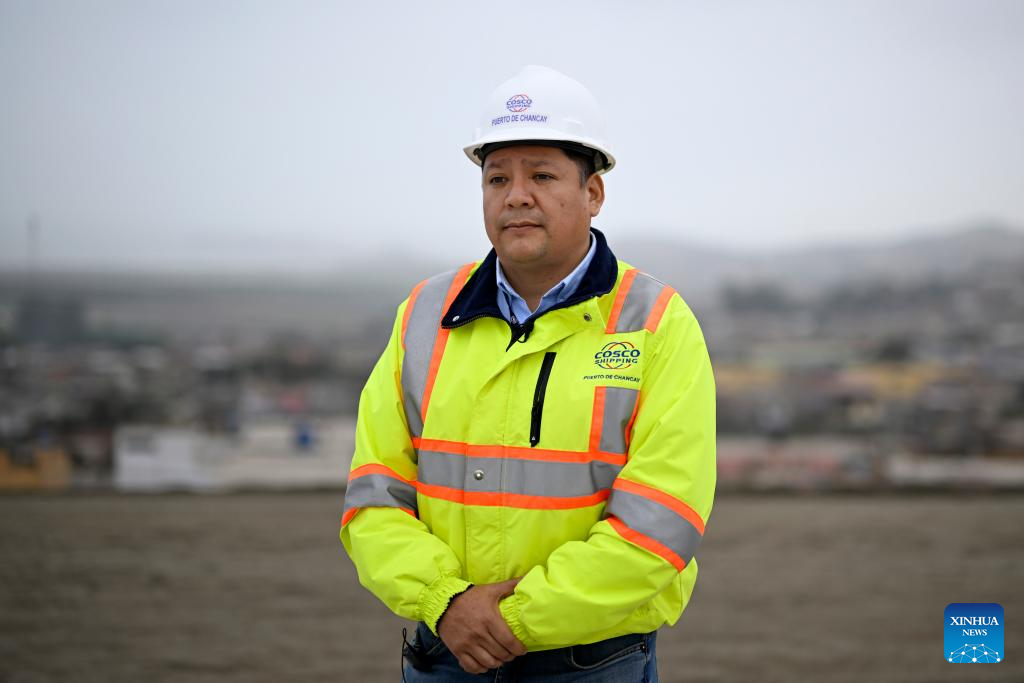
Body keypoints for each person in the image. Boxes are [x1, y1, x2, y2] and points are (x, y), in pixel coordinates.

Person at [340, 65, 716, 682]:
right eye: (497, 178)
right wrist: (447, 602)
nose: (515, 195)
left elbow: (663, 517)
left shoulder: (655, 325)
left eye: (542, 175)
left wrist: (516, 620)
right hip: (444, 654)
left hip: (593, 664)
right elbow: (373, 496)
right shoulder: (423, 316)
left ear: (594, 192)